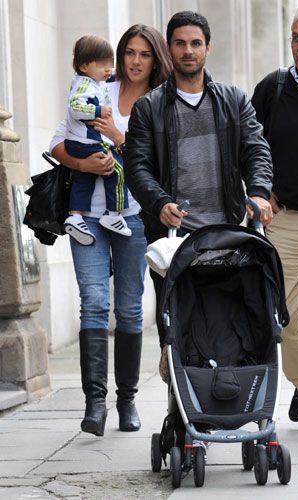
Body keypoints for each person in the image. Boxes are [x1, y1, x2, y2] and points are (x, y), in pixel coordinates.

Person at [124, 11, 273, 349]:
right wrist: (160, 203)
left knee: (232, 333)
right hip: (175, 242)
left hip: (228, 236)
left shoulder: (234, 100)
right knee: (177, 339)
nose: (188, 51)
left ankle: (229, 397)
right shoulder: (149, 108)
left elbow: (256, 150)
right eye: (180, 44)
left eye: (195, 43)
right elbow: (138, 167)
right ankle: (178, 400)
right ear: (169, 48)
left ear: (208, 47)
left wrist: (260, 192)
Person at [50, 24, 172, 436]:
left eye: (144, 54)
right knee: (94, 304)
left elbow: (162, 167)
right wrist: (84, 165)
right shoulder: (97, 87)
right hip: (86, 217)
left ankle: (128, 401)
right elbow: (59, 142)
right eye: (129, 53)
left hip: (132, 218)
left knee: (130, 308)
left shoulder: (160, 102)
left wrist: (120, 140)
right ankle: (95, 403)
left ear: (155, 60)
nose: (135, 61)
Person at [252, 5, 298, 422]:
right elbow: (248, 145)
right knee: (283, 316)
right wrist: (257, 190)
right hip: (285, 220)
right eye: (296, 38)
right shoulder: (272, 88)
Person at [63, 34, 131, 244]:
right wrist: (99, 110)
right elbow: (75, 107)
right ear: (84, 66)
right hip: (86, 143)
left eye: (110, 63)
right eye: (102, 64)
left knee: (84, 179)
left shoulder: (94, 82)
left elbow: (112, 78)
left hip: (81, 142)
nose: (108, 69)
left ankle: (75, 216)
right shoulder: (85, 85)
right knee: (117, 171)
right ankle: (114, 215)